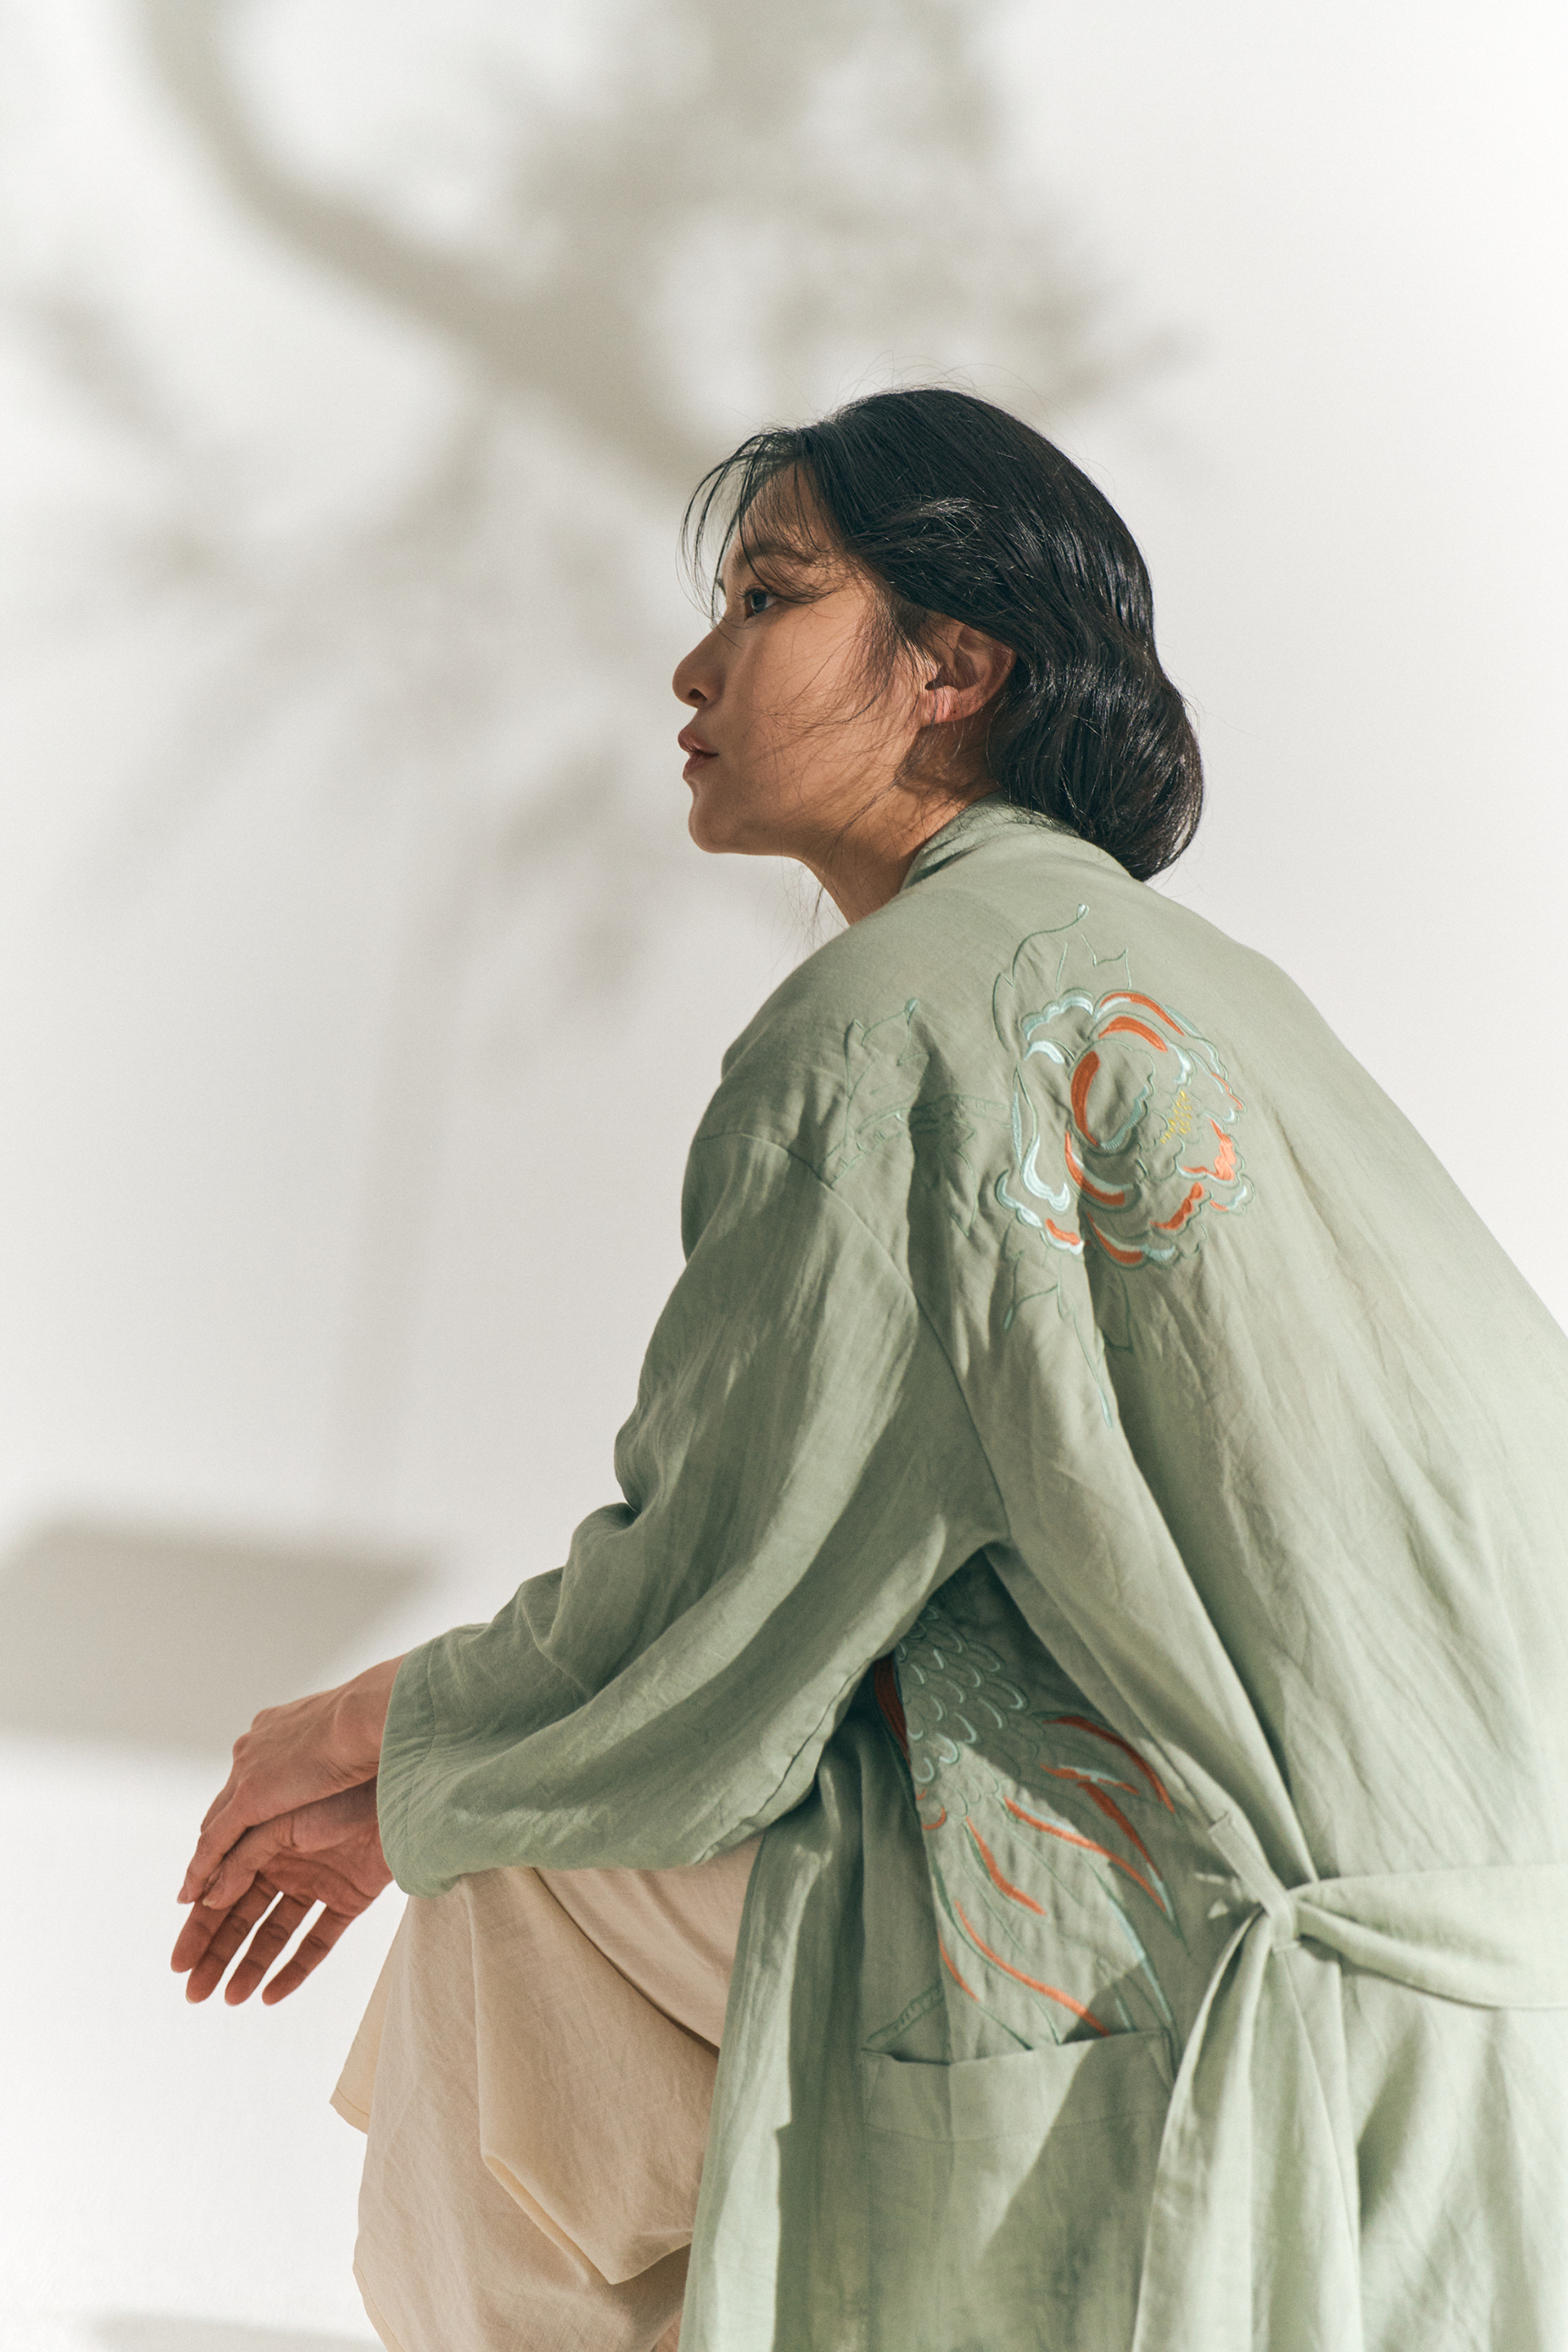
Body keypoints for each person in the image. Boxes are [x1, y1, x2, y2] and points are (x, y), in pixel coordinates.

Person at [172, 388, 1568, 2352]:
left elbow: (718, 1603)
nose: (695, 667)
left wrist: (370, 1747)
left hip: (1232, 1926)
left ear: (953, 669)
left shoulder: (888, 1022)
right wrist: (428, 1776)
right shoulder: (1224, 990)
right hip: (1499, 1961)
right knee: (522, 1848)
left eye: (768, 597)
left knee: (508, 1895)